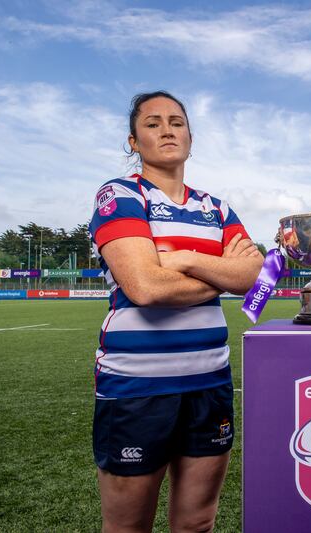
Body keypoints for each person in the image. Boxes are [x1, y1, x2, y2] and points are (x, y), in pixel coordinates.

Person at [88, 91, 263, 532]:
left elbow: (254, 278)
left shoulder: (216, 207)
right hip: (137, 387)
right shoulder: (121, 194)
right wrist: (221, 273)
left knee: (198, 523)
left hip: (210, 382)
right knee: (129, 527)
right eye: (152, 123)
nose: (167, 129)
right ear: (133, 141)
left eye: (176, 121)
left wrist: (182, 259)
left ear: (189, 135)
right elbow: (145, 288)